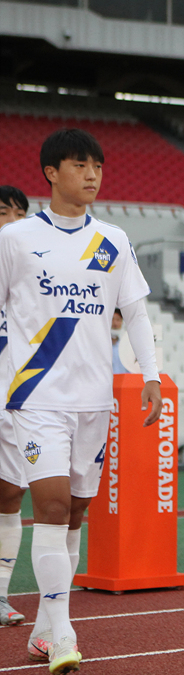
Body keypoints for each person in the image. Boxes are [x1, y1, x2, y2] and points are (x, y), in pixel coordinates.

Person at [0, 132, 162, 675]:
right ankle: (65, 633)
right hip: (35, 396)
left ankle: (44, 630)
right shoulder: (16, 239)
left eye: (97, 166)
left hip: (94, 400)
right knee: (49, 506)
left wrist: (149, 374)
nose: (92, 174)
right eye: (79, 165)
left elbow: (135, 312)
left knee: (74, 512)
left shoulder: (113, 239)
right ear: (51, 172)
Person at [0, 185, 29, 627]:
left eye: (16, 215)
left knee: (10, 494)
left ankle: (1, 592)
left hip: (15, 399)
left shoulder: (37, 275)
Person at [110, 308, 128, 374]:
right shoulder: (101, 345)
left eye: (118, 320)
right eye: (112, 319)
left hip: (123, 379)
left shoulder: (126, 346)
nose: (115, 323)